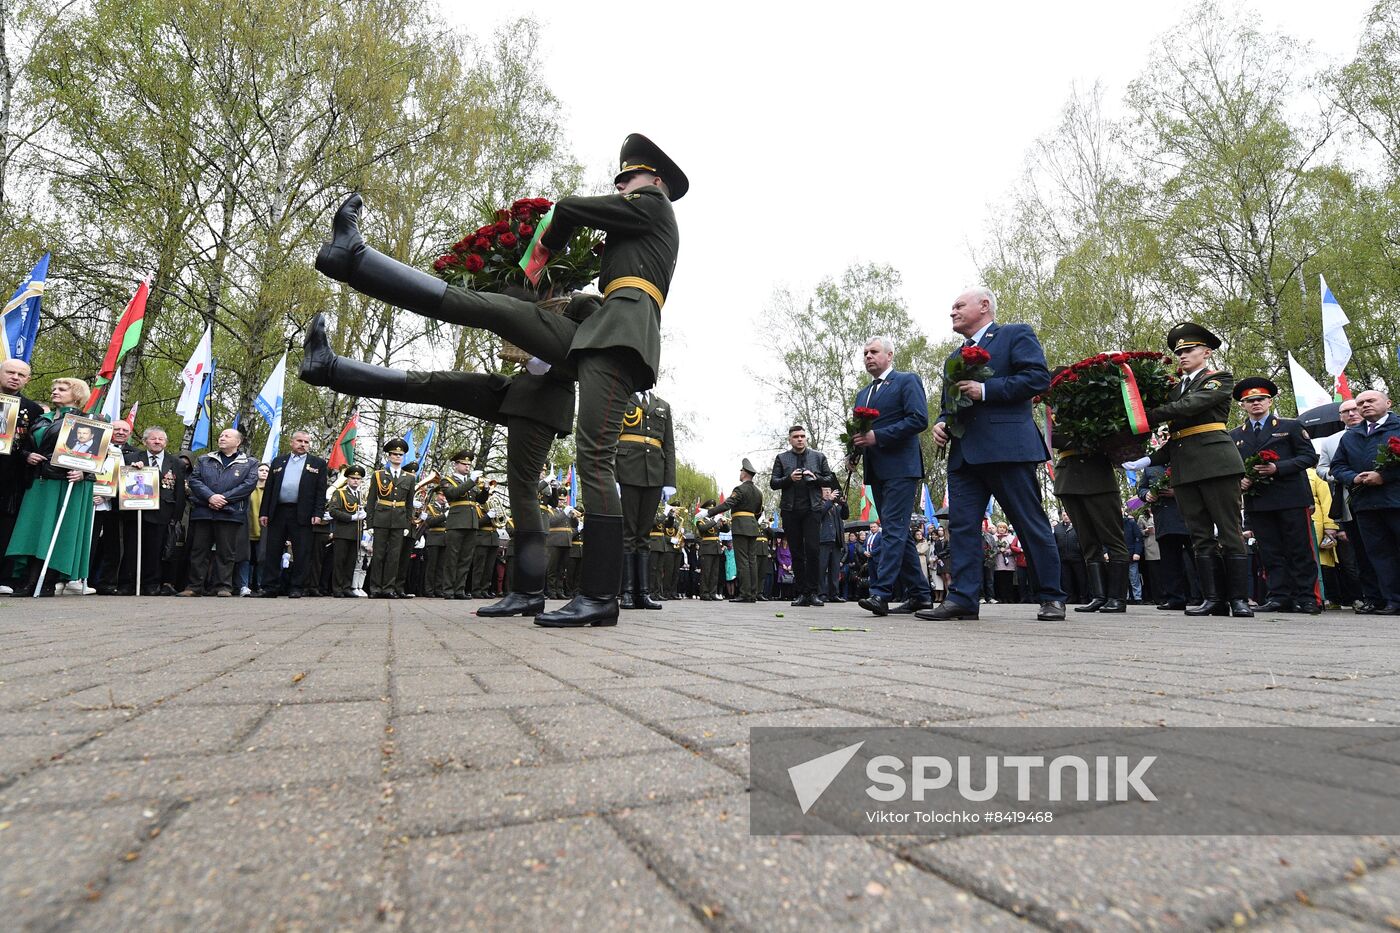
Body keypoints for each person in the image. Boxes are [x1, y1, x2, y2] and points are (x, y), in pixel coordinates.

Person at [313, 134, 684, 629]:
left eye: (629, 178)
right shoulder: (635, 231)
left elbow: (569, 208)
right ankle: (353, 260)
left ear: (654, 181)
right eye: (618, 181)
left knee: (594, 459)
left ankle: (600, 596)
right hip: (598, 332)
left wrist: (541, 253)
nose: (621, 186)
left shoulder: (654, 205)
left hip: (620, 335)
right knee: (493, 309)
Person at [919, 287, 1066, 622]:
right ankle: (964, 599)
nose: (952, 312)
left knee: (1029, 522)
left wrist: (986, 389)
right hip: (964, 455)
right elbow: (948, 405)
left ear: (984, 306)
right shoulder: (953, 358)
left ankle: (1052, 597)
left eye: (958, 306)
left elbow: (1036, 378)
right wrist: (942, 423)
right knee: (962, 528)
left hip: (1007, 448)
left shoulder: (1014, 335)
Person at [1122, 323, 1251, 618]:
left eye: (1189, 350)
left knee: (1229, 531)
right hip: (1184, 466)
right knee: (1200, 534)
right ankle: (1214, 599)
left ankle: (1239, 599)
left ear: (1206, 352)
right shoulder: (1175, 389)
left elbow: (1192, 406)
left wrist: (1148, 415)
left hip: (1217, 463)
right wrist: (1147, 460)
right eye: (1179, 352)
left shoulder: (1218, 378)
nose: (1183, 355)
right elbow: (1179, 435)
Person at [849, 336, 932, 616]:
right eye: (865, 353)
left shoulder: (906, 381)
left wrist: (878, 436)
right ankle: (920, 595)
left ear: (890, 355)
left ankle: (880, 593)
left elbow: (919, 419)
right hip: (878, 470)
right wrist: (855, 453)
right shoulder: (864, 394)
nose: (868, 356)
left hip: (901, 467)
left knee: (893, 530)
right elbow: (862, 431)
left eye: (873, 352)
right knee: (900, 533)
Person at [1228, 377, 1321, 613]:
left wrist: (1278, 468)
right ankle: (1279, 595)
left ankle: (1307, 597)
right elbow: (1232, 466)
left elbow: (1309, 457)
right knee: (1270, 550)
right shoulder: (1235, 434)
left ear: (1270, 401)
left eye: (1261, 399)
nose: (1256, 403)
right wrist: (1240, 479)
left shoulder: (1290, 426)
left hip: (1290, 497)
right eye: (1250, 400)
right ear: (1242, 405)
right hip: (1258, 500)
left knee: (1299, 548)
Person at [5, 378, 96, 597]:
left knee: (59, 530)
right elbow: (22, 445)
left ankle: (45, 581)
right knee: (34, 529)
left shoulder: (87, 421)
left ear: (76, 395)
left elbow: (96, 456)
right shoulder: (41, 418)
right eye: (54, 388)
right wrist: (27, 455)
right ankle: (27, 579)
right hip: (38, 482)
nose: (55, 391)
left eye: (62, 389)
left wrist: (85, 473)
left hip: (66, 484)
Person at [1048, 412, 1131, 613]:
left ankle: (1117, 598)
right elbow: (1052, 437)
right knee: (1087, 542)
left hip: (1098, 477)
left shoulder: (1098, 406)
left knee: (1113, 539)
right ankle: (1099, 596)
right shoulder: (1057, 411)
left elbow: (1110, 434)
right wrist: (1082, 435)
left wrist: (1087, 433)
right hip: (1068, 479)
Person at [1328, 389, 1400, 614]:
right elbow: (1337, 466)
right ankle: (1392, 600)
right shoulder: (1350, 435)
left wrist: (1385, 476)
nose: (1365, 405)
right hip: (1365, 504)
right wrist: (1353, 477)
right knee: (1378, 555)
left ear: (1387, 402)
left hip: (1395, 501)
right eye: (1361, 403)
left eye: (1371, 400)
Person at [1317, 398, 1384, 612]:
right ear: (1340, 417)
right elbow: (1323, 469)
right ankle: (1372, 596)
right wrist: (1344, 475)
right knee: (1361, 552)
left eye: (1355, 409)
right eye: (1345, 411)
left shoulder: (1382, 432)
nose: (1352, 414)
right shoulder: (1331, 441)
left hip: (1384, 497)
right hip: (1350, 501)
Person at [616, 388, 675, 610]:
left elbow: (668, 445)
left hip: (655, 473)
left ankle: (643, 592)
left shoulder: (663, 405)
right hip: (627, 469)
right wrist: (613, 476)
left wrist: (670, 481)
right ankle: (628, 592)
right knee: (628, 533)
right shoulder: (623, 398)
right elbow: (613, 436)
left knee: (644, 535)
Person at [182, 427, 259, 597]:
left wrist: (223, 498)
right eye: (221, 435)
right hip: (204, 510)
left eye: (227, 436)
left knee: (226, 552)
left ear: (237, 442)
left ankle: (223, 586)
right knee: (199, 550)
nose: (222, 438)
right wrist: (210, 497)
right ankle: (194, 586)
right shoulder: (204, 459)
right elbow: (194, 480)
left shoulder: (250, 463)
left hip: (230, 513)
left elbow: (248, 484)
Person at [770, 424, 837, 606]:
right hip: (791, 510)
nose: (800, 439)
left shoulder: (818, 457)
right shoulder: (782, 458)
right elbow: (773, 483)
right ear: (790, 439)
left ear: (806, 438)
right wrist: (789, 479)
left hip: (812, 509)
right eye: (796, 436)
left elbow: (830, 478)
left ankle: (814, 592)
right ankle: (801, 593)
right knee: (797, 552)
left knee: (813, 550)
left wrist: (815, 477)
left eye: (802, 436)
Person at [257, 429, 329, 598]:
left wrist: (318, 512)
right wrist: (264, 512)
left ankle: (297, 587)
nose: (303, 444)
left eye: (306, 442)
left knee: (302, 551)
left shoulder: (318, 463)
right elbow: (269, 489)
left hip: (303, 513)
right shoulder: (278, 461)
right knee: (272, 550)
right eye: (299, 441)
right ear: (291, 442)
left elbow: (321, 491)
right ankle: (269, 587)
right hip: (278, 511)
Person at [0, 359, 45, 593]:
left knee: (6, 526)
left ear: (27, 379)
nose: (15, 377)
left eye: (21, 374)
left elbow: (32, 443)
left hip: (12, 478)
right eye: (10, 372)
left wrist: (27, 455)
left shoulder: (33, 409)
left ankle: (3, 577)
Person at [702, 459, 764, 602]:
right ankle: (752, 593)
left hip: (741, 526)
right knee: (752, 560)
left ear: (745, 473)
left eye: (741, 471)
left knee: (742, 560)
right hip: (753, 526)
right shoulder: (758, 492)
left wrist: (708, 513)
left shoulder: (740, 489)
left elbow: (727, 505)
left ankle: (745, 594)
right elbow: (759, 512)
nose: (740, 473)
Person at [364, 438, 416, 598]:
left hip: (399, 520)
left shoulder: (409, 478)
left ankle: (388, 588)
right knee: (379, 555)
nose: (397, 457)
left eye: (400, 454)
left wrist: (408, 524)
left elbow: (409, 504)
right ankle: (375, 588)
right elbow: (371, 500)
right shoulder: (379, 475)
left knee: (394, 557)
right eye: (394, 454)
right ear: (389, 456)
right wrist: (370, 523)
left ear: (404, 457)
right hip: (381, 518)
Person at [89, 419, 133, 594]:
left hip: (116, 508)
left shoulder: (135, 454)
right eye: (117, 429)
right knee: (90, 544)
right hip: (92, 502)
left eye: (125, 430)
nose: (121, 432)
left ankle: (106, 583)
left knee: (112, 548)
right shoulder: (95, 446)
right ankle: (84, 579)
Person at [438, 452, 484, 601]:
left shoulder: (472, 482)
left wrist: (486, 490)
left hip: (471, 523)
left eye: (469, 464)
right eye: (464, 464)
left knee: (466, 559)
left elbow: (480, 500)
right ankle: (448, 590)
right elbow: (453, 494)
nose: (467, 467)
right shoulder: (447, 480)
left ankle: (459, 589)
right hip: (456, 523)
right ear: (455, 465)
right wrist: (471, 481)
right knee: (452, 558)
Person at [327, 465, 367, 597]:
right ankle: (337, 588)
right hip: (343, 532)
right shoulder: (340, 493)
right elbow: (333, 511)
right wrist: (352, 517)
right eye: (353, 478)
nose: (356, 480)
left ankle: (346, 587)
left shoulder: (361, 495)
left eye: (358, 479)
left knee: (351, 562)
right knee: (340, 562)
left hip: (356, 534)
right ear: (347, 479)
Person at [816, 487, 849, 602]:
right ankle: (821, 593)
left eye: (829, 491)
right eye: (825, 491)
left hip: (836, 541)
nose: (828, 493)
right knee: (821, 568)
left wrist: (844, 505)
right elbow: (819, 515)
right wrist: (829, 501)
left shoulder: (835, 506)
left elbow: (845, 516)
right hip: (823, 540)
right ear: (820, 493)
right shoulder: (818, 504)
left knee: (835, 570)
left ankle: (834, 593)